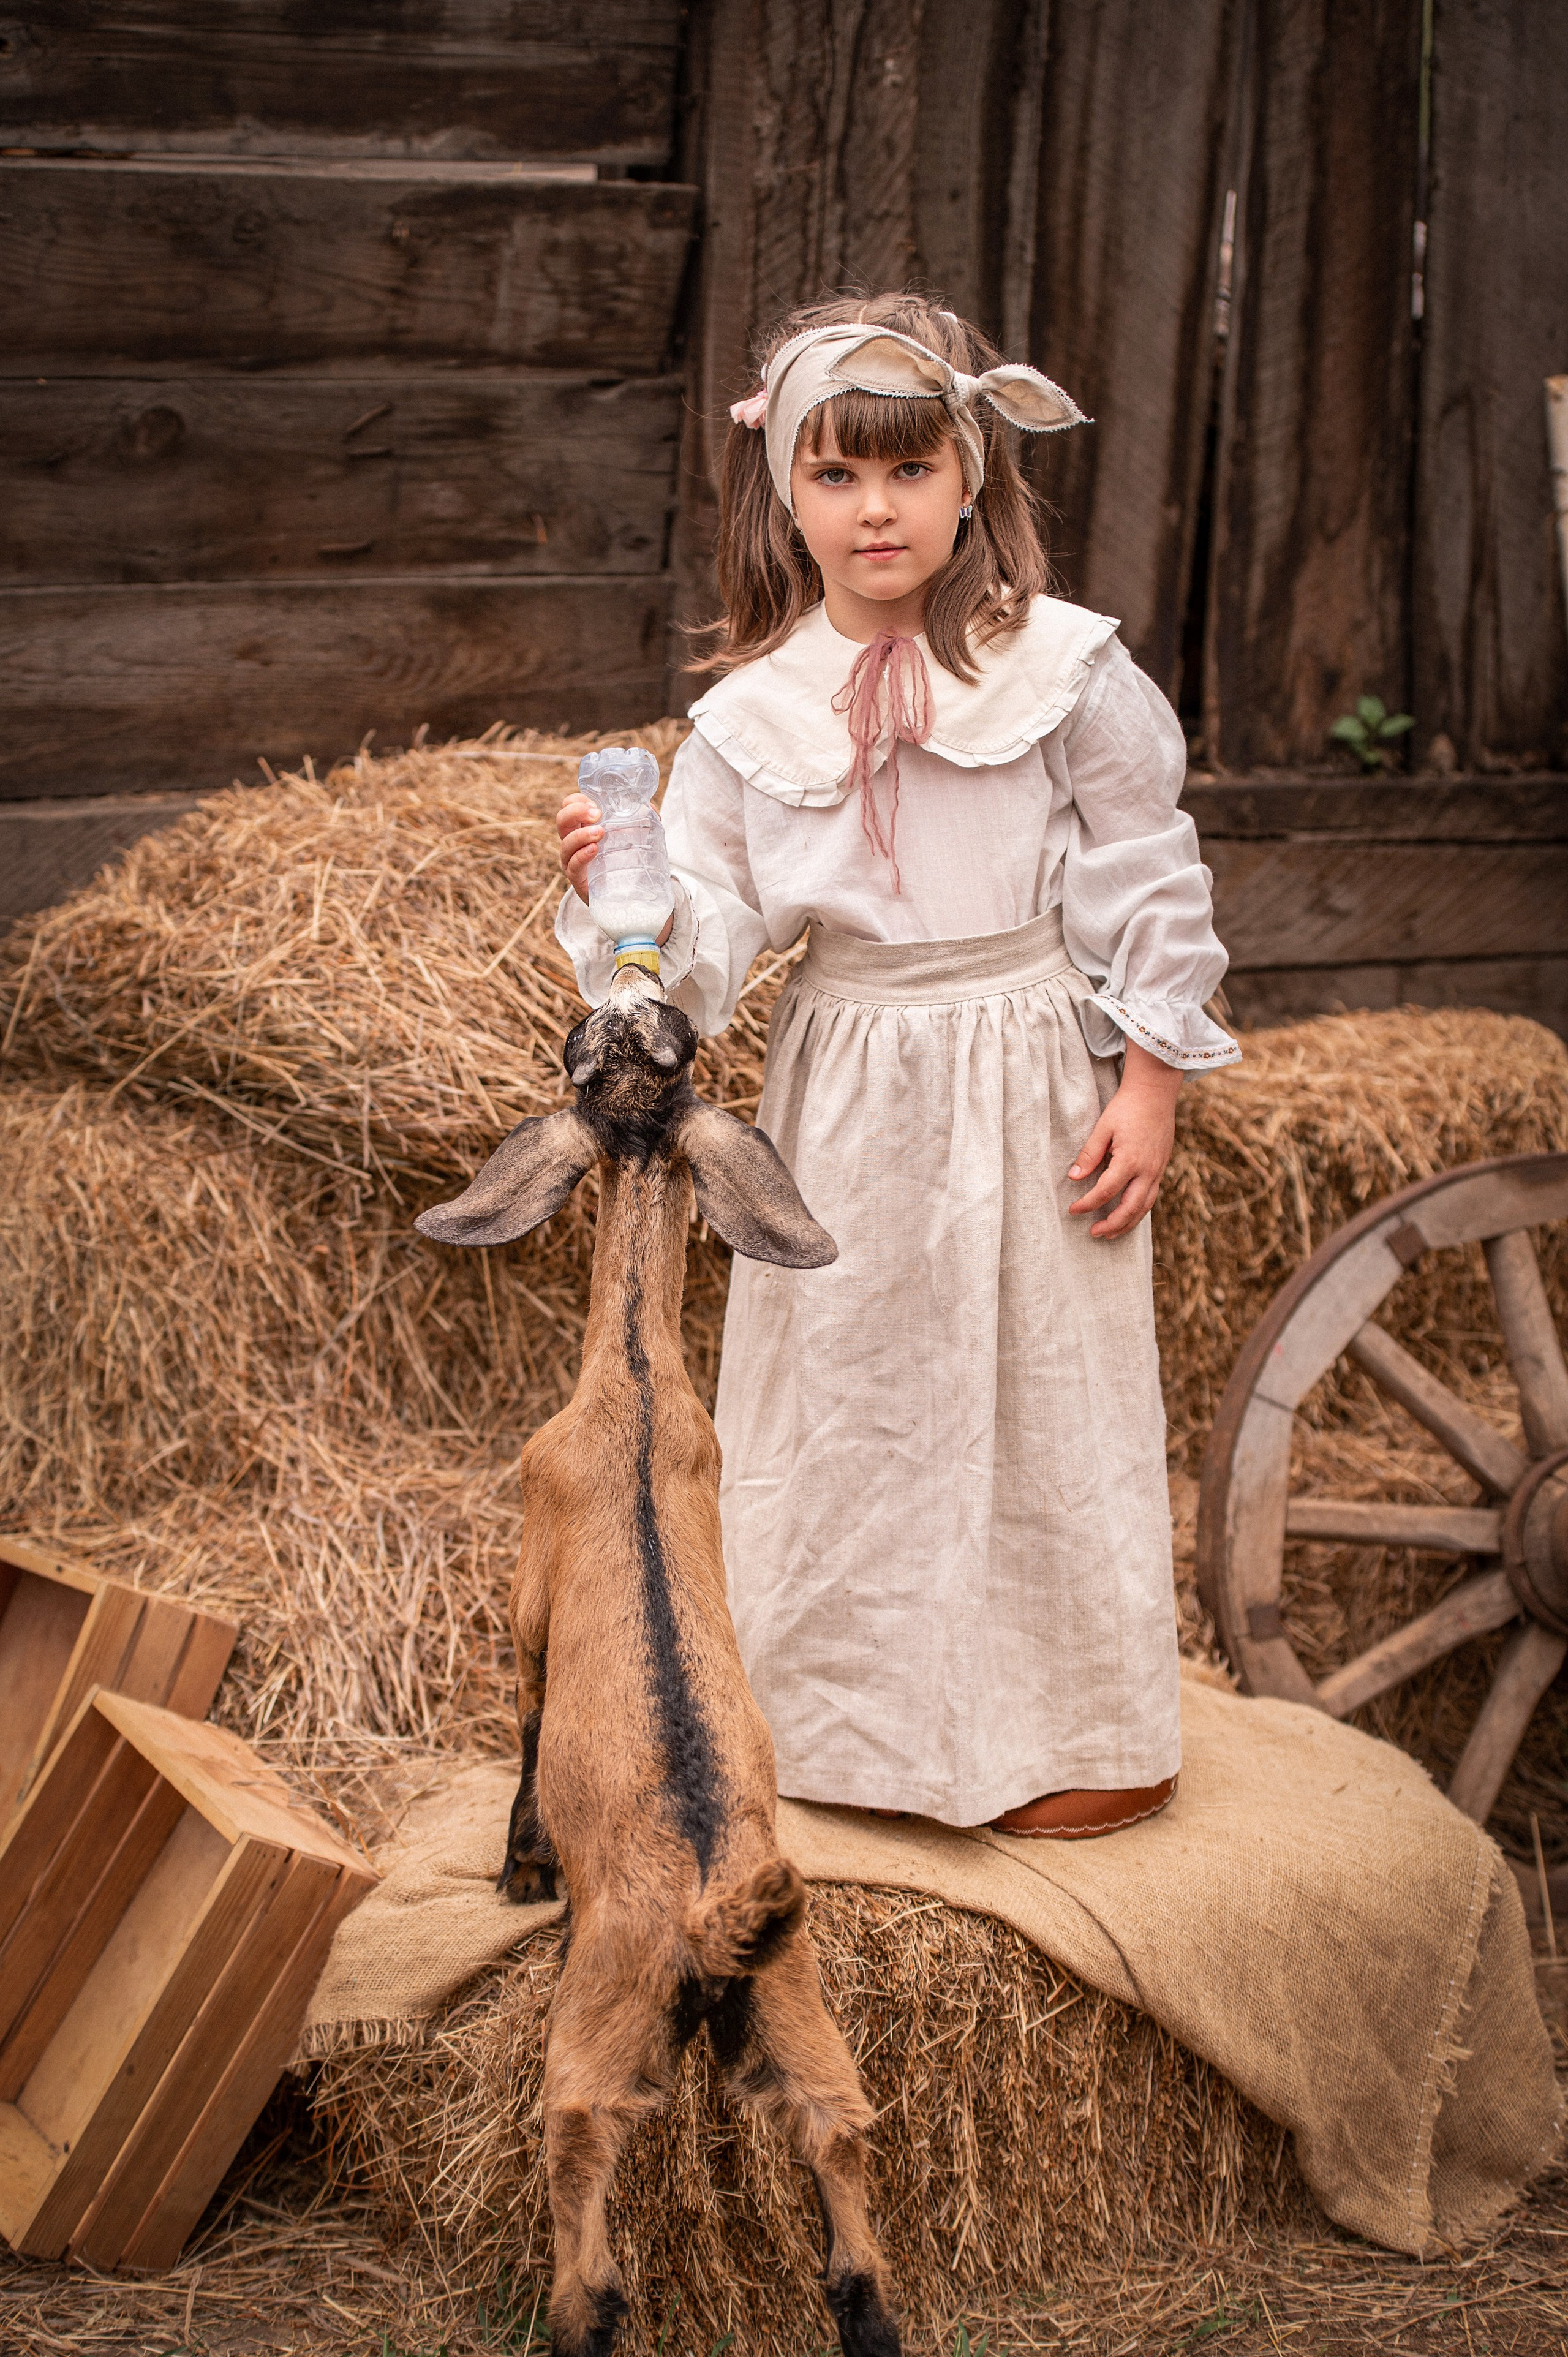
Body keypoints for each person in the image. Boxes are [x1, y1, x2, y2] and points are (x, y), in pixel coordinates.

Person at [554, 293, 1240, 1838]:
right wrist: (629, 887)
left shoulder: (1060, 671)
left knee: (1044, 1389)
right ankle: (851, 1731)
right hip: (851, 1078)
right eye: (836, 476)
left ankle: (1073, 1731)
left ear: (970, 479)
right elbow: (707, 938)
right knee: (855, 1393)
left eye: (910, 470)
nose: (876, 510)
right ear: (783, 497)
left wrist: (1147, 1079)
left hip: (1028, 1063)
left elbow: (1145, 872)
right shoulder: (748, 720)